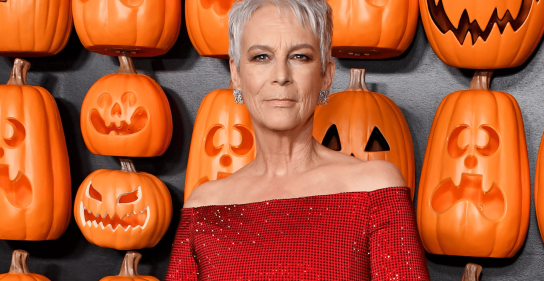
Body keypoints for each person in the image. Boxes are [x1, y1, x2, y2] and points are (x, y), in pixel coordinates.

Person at [166, 0, 430, 279]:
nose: (281, 76)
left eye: (300, 57)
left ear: (326, 76)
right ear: (236, 74)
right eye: (261, 57)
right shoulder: (203, 207)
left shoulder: (376, 189)